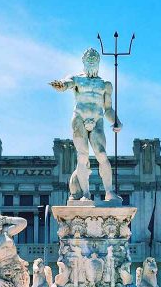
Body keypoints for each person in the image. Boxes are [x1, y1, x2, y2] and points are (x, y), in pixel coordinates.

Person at [50, 47, 122, 202]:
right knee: (82, 156)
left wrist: (116, 121)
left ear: (98, 62)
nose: (91, 61)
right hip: (79, 118)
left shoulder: (105, 85)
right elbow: (66, 84)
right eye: (89, 59)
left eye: (94, 59)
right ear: (83, 61)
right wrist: (60, 85)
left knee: (102, 154)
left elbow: (108, 109)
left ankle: (109, 192)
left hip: (97, 120)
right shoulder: (76, 79)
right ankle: (85, 194)